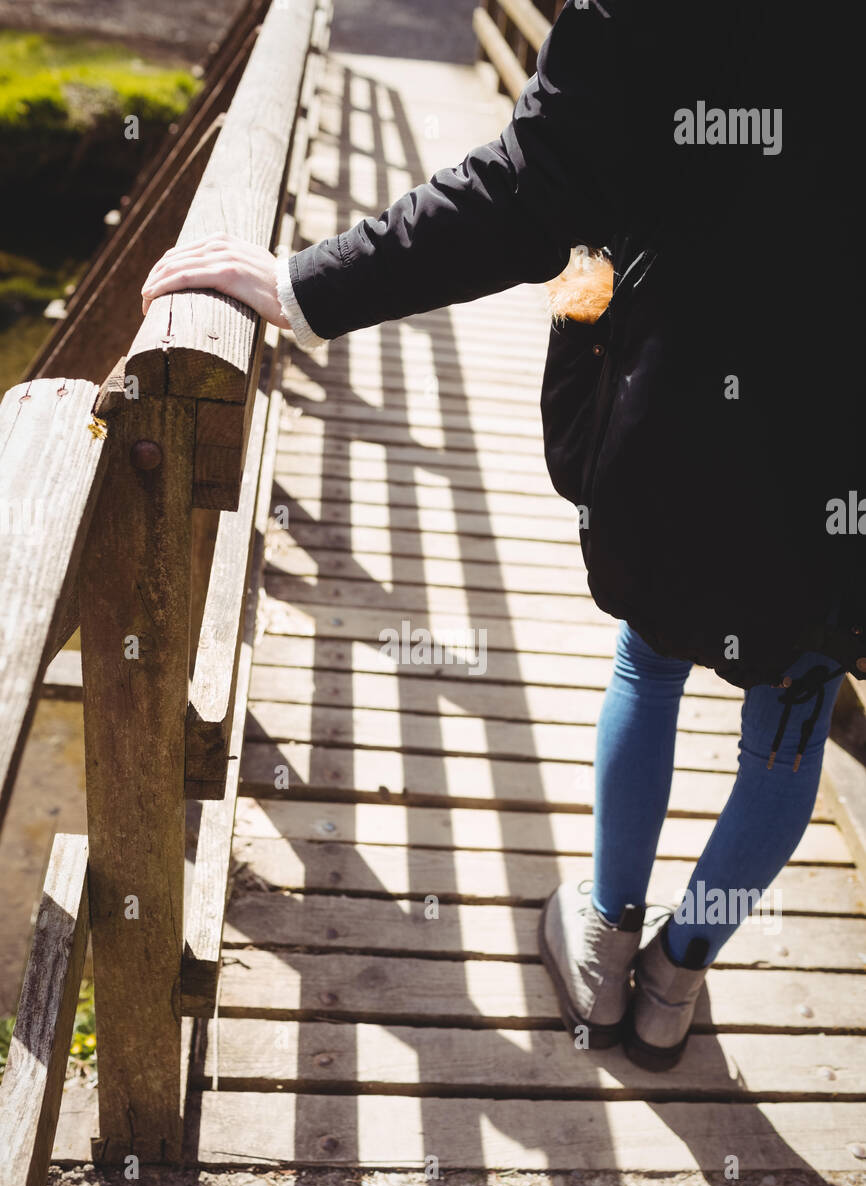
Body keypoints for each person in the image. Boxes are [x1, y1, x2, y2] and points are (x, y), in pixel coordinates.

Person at [141, 0, 863, 1070]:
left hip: (683, 428)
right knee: (791, 717)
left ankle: (606, 946)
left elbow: (531, 188)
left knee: (651, 660)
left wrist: (303, 283)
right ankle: (675, 981)